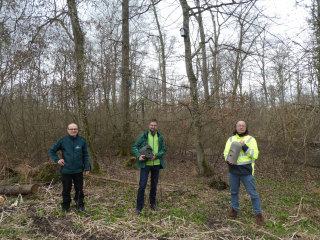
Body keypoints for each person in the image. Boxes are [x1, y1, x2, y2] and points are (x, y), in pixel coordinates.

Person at [224, 120, 265, 226]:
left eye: (243, 126)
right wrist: (227, 160)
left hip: (246, 172)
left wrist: (244, 146)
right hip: (233, 171)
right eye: (239, 126)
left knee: (253, 194)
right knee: (234, 192)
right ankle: (234, 211)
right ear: (236, 127)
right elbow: (226, 153)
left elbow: (254, 155)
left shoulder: (251, 139)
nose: (241, 127)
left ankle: (259, 214)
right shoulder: (231, 139)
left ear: (246, 127)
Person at [49, 123, 90, 213]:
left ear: (77, 130)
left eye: (75, 129)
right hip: (66, 170)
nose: (73, 131)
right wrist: (57, 160)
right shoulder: (62, 141)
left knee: (79, 189)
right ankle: (65, 206)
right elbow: (51, 150)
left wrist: (87, 167)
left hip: (78, 170)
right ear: (67, 130)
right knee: (66, 189)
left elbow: (86, 155)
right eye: (71, 129)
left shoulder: (82, 141)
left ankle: (80, 206)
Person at [132, 119, 166, 216]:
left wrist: (157, 156)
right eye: (151, 125)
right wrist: (139, 155)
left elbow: (164, 150)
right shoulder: (143, 136)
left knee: (154, 185)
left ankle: (153, 204)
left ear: (157, 126)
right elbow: (134, 147)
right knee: (142, 186)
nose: (153, 127)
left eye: (155, 125)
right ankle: (139, 208)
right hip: (145, 165)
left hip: (156, 164)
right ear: (149, 125)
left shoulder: (160, 137)